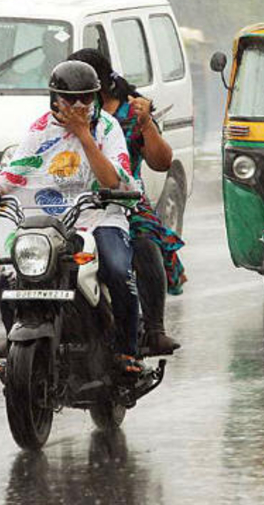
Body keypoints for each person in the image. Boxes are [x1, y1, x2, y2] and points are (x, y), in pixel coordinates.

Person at [0, 60, 144, 376]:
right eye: (69, 99)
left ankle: (127, 350)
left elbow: (112, 180)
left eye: (86, 99)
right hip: (48, 222)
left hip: (98, 215)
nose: (78, 106)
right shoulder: (39, 129)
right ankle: (14, 344)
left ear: (96, 98)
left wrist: (83, 135)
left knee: (118, 270)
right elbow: (17, 169)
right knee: (9, 273)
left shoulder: (107, 128)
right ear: (54, 98)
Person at [69, 48, 184, 355]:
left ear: (99, 85)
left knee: (145, 244)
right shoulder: (62, 113)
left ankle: (154, 330)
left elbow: (162, 162)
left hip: (123, 199)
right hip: (70, 200)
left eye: (83, 88)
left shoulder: (128, 115)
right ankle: (21, 324)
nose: (75, 98)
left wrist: (146, 124)